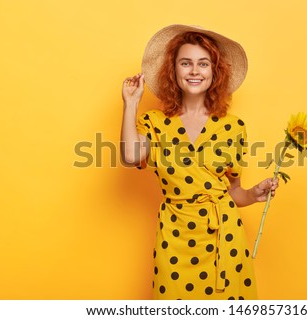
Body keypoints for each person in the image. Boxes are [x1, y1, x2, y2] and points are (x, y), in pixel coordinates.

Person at [120, 25, 278, 300]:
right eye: (186, 63)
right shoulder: (155, 122)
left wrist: (253, 194)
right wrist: (131, 104)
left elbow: (233, 192)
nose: (194, 71)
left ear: (215, 72)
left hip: (224, 239)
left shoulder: (234, 127)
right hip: (175, 237)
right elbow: (131, 156)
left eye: (203, 63)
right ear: (174, 70)